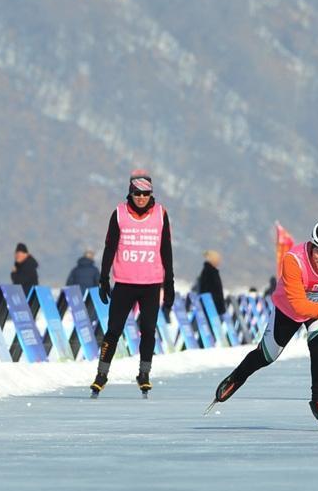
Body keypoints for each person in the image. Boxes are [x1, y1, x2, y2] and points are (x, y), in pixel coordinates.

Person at [210, 219, 318, 429]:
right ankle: (237, 377)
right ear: (311, 246)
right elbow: (301, 307)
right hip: (290, 308)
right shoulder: (294, 260)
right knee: (267, 356)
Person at [90, 170, 175, 397]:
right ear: (130, 193)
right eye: (137, 193)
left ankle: (144, 373)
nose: (141, 197)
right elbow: (110, 247)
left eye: (145, 193)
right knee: (113, 331)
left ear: (151, 194)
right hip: (125, 283)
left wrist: (170, 283)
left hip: (151, 284)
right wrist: (103, 277)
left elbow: (166, 250)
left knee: (148, 330)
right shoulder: (119, 214)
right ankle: (101, 374)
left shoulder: (160, 214)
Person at [194, 250, 226, 315]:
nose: (219, 262)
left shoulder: (211, 271)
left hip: (212, 307)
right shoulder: (209, 272)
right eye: (218, 259)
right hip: (211, 308)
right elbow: (207, 290)